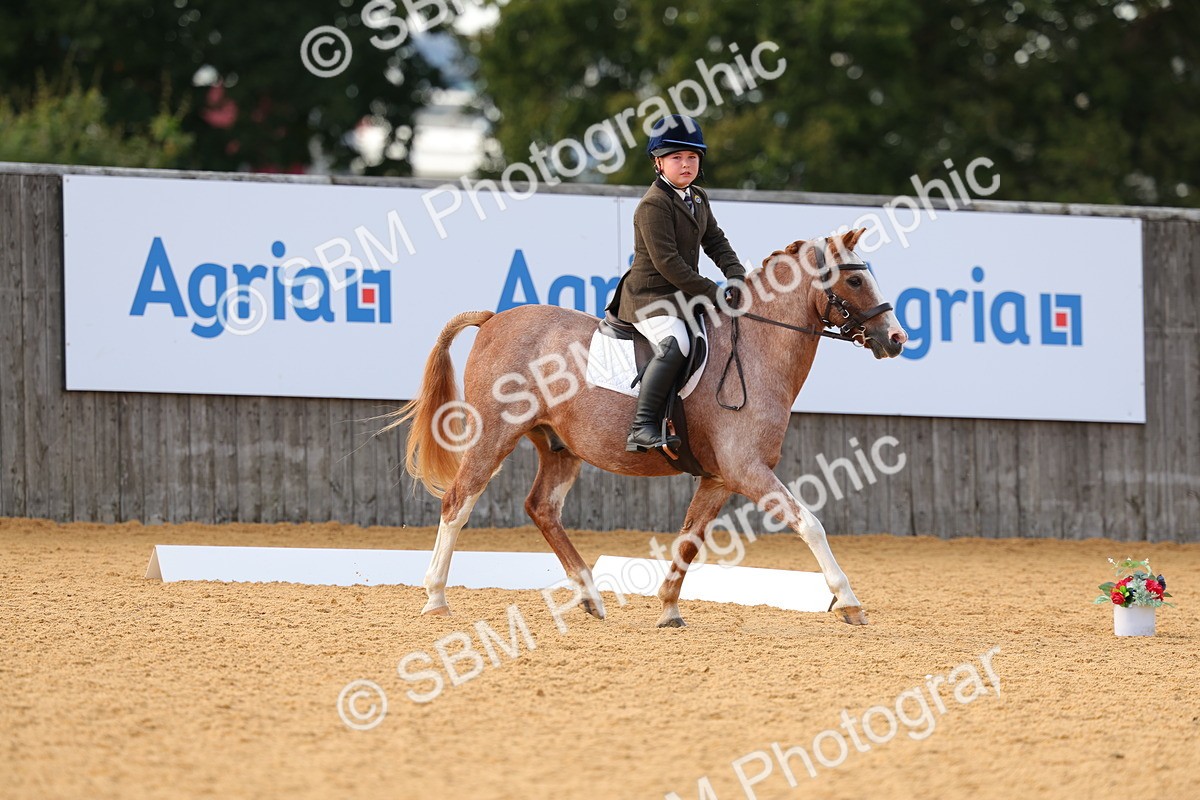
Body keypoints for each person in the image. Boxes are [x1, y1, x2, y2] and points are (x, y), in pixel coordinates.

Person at [611, 114, 748, 452]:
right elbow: (668, 264)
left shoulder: (698, 197)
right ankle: (641, 427)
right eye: (676, 157)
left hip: (683, 295)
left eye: (692, 157)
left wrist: (736, 274)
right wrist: (714, 292)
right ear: (659, 163)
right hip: (650, 297)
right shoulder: (653, 205)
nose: (686, 164)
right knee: (676, 345)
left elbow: (715, 240)